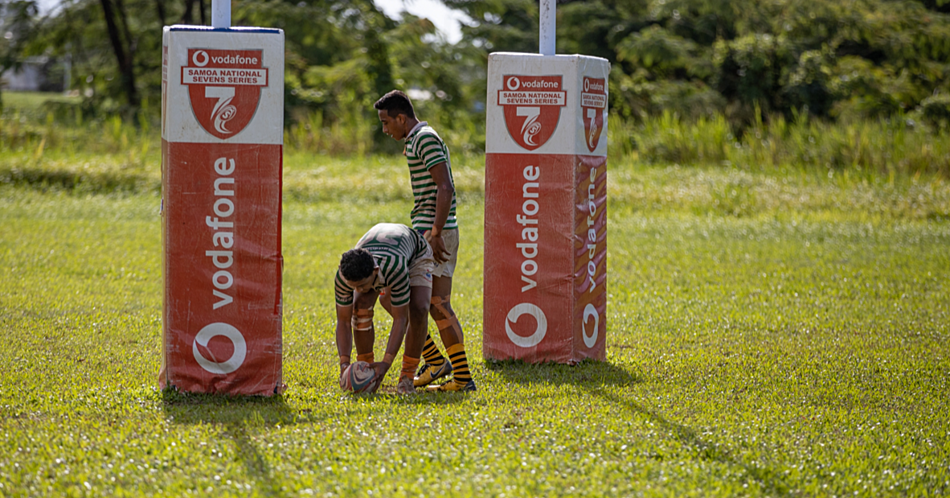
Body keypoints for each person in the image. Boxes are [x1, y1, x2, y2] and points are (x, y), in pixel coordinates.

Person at [373, 90, 476, 392]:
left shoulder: (424, 138)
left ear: (401, 118)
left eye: (385, 122)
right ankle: (440, 365)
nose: (384, 129)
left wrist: (434, 232)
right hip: (427, 232)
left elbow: (446, 187)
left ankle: (459, 376)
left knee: (410, 300)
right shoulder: (415, 140)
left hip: (433, 233)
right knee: (423, 303)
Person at [334, 223, 435, 394]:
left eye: (361, 285)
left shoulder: (394, 268)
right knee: (360, 309)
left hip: (415, 253)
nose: (357, 290)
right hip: (381, 250)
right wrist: (345, 364)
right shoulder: (343, 276)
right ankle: (366, 369)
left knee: (418, 309)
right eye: (354, 287)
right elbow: (343, 321)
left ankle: (407, 377)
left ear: (375, 271)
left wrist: (386, 363)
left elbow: (400, 319)